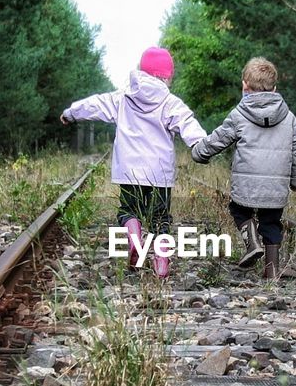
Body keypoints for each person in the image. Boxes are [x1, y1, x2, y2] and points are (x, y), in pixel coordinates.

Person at [61, 47, 206, 278]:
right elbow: (188, 123)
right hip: (159, 174)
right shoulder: (170, 102)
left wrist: (70, 113)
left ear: (141, 71)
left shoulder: (122, 98)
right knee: (160, 219)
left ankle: (135, 242)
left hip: (129, 172)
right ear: (168, 76)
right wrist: (201, 144)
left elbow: (94, 105)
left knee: (128, 211)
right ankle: (161, 265)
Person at [191, 56, 296, 278]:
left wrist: (199, 153)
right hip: (276, 189)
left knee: (238, 210)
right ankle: (271, 272)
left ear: (245, 85)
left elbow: (218, 139)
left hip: (246, 187)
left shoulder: (239, 114)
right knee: (272, 223)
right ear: (275, 87)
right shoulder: (289, 118)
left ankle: (252, 243)